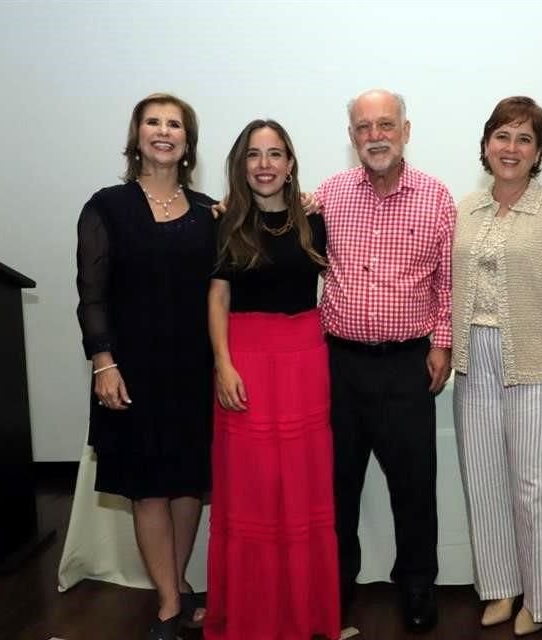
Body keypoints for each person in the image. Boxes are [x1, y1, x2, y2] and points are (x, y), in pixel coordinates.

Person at [451, 96, 542, 635]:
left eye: (524, 139)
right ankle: (500, 588)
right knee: (484, 480)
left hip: (539, 363)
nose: (511, 149)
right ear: (486, 145)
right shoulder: (466, 207)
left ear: (538, 152)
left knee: (540, 488)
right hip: (475, 362)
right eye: (502, 137)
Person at [75, 93, 214, 640]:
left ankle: (177, 585)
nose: (163, 131)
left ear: (187, 141)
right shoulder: (106, 205)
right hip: (130, 369)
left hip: (194, 369)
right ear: (136, 136)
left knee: (186, 483)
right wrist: (102, 363)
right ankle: (165, 603)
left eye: (174, 124)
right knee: (148, 488)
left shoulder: (209, 211)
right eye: (152, 122)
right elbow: (91, 293)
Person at [317, 89, 455, 632]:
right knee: (337, 482)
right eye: (363, 127)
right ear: (351, 137)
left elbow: (447, 281)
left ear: (406, 129)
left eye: (385, 124)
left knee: (414, 485)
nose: (375, 135)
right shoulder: (328, 195)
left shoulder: (437, 197)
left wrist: (441, 342)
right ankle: (337, 581)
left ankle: (417, 584)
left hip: (407, 365)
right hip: (340, 364)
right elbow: (274, 223)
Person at [204, 119, 339, 640]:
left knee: (301, 489)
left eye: (275, 154)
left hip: (305, 360)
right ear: (241, 165)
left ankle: (302, 613)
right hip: (246, 362)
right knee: (254, 489)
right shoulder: (223, 222)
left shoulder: (314, 221)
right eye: (254, 155)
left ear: (289, 165)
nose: (264, 164)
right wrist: (222, 362)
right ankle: (253, 616)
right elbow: (217, 297)